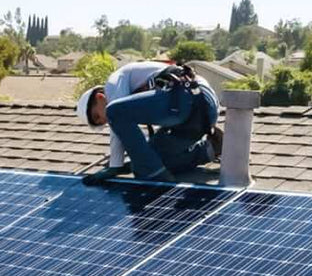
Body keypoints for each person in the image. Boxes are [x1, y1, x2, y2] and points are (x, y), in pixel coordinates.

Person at [75, 61, 222, 185]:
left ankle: (155, 176)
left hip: (189, 98)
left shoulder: (113, 83)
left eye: (97, 116)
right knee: (148, 158)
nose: (104, 121)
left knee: (115, 112)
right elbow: (138, 145)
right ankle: (209, 149)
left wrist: (115, 166)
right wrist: (128, 165)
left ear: (100, 97)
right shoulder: (133, 94)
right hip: (204, 115)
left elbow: (116, 114)